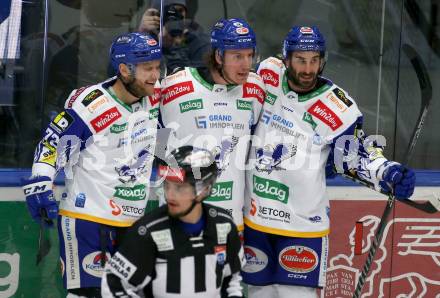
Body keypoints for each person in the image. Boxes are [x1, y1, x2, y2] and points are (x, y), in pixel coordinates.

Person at [242, 26, 416, 297]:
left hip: (302, 227)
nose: (308, 69)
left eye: (315, 60)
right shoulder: (268, 73)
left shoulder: (339, 108)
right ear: (286, 58)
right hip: (255, 220)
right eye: (301, 60)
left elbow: (353, 156)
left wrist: (387, 172)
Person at [22, 32, 162, 298]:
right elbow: (53, 143)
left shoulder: (153, 98)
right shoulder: (92, 105)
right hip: (88, 220)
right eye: (147, 69)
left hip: (131, 223)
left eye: (157, 67)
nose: (155, 75)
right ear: (124, 69)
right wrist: (41, 179)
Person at [159, 18, 265, 233]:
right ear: (218, 55)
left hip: (231, 222)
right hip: (178, 219)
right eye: (237, 56)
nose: (246, 65)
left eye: (249, 55)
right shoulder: (175, 85)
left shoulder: (255, 88)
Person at [101, 146, 245, 297]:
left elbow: (232, 280)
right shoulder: (147, 231)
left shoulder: (224, 225)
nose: (170, 195)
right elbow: (113, 285)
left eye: (179, 188)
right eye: (167, 185)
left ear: (204, 190)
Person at [137, 0, 210, 74]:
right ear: (157, 15)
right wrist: (141, 35)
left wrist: (176, 46)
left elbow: (194, 80)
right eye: (169, 12)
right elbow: (136, 74)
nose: (175, 16)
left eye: (180, 11)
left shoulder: (198, 40)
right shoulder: (148, 41)